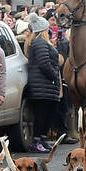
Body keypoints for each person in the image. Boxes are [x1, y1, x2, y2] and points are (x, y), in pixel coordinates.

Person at [24, 14, 61, 152]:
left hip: (44, 85)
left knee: (46, 114)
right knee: (41, 115)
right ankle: (37, 141)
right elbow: (44, 63)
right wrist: (54, 76)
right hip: (43, 85)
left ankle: (42, 139)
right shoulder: (40, 43)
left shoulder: (38, 42)